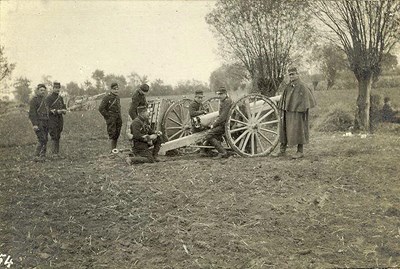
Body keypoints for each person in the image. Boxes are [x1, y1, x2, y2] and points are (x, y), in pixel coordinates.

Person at [272, 67, 316, 159]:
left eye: (293, 74)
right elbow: (284, 98)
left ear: (297, 74)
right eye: (290, 75)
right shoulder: (288, 86)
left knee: (299, 130)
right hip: (287, 111)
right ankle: (282, 150)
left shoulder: (302, 86)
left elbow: (307, 100)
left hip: (298, 112)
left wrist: (301, 109)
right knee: (283, 129)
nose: (291, 76)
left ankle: (300, 151)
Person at [201, 86, 233, 159]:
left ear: (225, 94)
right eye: (218, 94)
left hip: (227, 124)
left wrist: (214, 124)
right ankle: (206, 150)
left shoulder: (228, 102)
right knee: (210, 132)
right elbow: (220, 116)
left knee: (209, 134)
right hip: (224, 123)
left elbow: (223, 117)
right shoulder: (224, 101)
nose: (219, 96)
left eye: (221, 94)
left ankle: (223, 152)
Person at [28, 84, 50, 162]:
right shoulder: (34, 100)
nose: (43, 92)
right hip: (39, 122)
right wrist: (35, 124)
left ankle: (42, 156)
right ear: (37, 91)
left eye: (44, 90)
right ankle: (36, 156)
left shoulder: (45, 100)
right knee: (41, 139)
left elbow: (47, 111)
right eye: (41, 90)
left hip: (46, 121)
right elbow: (32, 113)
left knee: (46, 139)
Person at [99, 82, 122, 152]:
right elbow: (101, 108)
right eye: (114, 89)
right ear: (111, 89)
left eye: (117, 89)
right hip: (111, 118)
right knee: (112, 133)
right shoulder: (107, 97)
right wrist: (108, 116)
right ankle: (112, 150)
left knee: (117, 133)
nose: (116, 90)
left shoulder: (117, 97)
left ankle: (114, 149)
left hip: (118, 117)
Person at [46, 81, 67, 157]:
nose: (57, 89)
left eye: (58, 88)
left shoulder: (60, 98)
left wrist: (64, 110)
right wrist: (56, 111)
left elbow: (64, 106)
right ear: (53, 88)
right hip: (52, 119)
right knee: (54, 135)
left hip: (59, 119)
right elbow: (46, 109)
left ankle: (56, 153)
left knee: (58, 135)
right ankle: (53, 154)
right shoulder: (48, 98)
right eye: (56, 88)